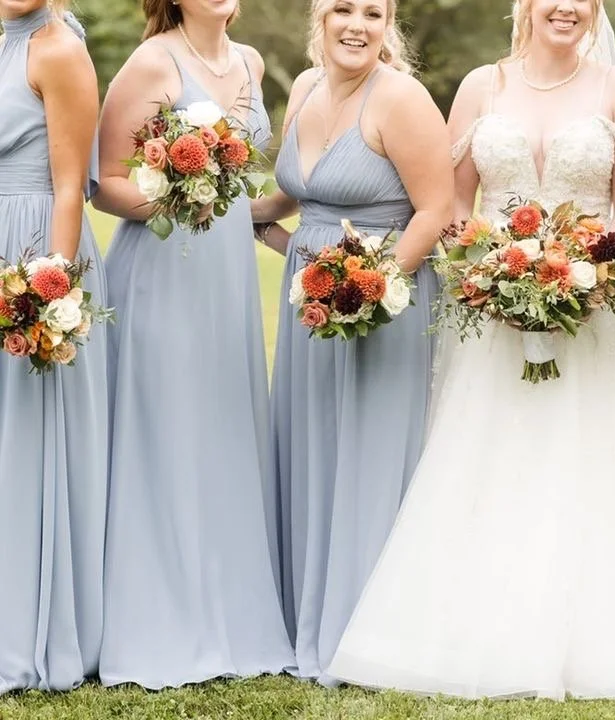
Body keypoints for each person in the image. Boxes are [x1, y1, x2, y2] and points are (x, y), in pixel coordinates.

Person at [326, 0, 615, 700]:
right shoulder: (480, 86)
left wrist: (595, 266)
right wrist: (490, 270)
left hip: (593, 308)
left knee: (593, 458)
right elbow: (454, 198)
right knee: (489, 455)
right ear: (525, 7)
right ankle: (475, 630)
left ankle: (608, 636)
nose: (565, 6)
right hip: (493, 310)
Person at [92, 0, 293, 688]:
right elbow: (104, 184)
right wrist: (177, 203)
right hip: (164, 268)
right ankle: (158, 616)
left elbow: (243, 189)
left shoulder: (251, 61)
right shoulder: (153, 61)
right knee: (168, 430)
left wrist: (287, 216)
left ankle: (227, 609)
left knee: (220, 428)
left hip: (226, 277)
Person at [250, 0, 452, 682]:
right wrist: (228, 213)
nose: (357, 24)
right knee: (314, 448)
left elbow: (436, 209)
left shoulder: (401, 99)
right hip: (311, 302)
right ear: (320, 16)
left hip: (383, 304)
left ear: (388, 22)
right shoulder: (304, 89)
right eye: (343, 8)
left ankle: (371, 627)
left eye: (374, 11)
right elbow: (295, 194)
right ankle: (306, 610)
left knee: (369, 454)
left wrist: (372, 285)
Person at [0, 0, 107, 694]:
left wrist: (51, 292)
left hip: (33, 246)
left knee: (30, 438)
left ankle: (31, 629)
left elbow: (71, 186)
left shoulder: (57, 47)